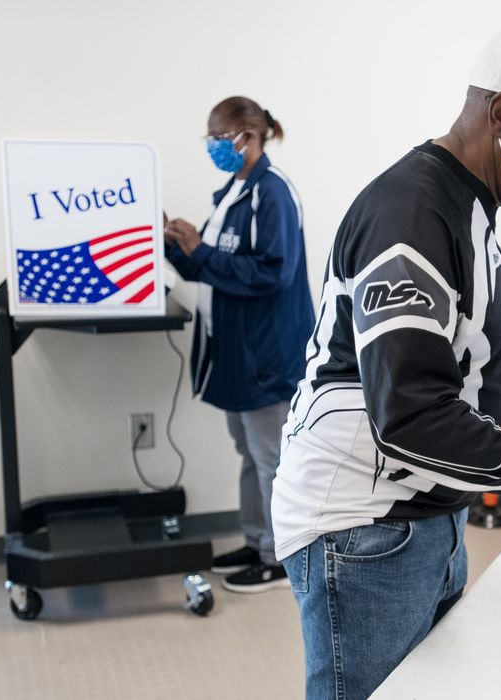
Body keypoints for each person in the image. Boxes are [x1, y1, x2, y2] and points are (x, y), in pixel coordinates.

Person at [272, 22, 501, 698]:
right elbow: (411, 418)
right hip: (365, 525)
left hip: (418, 513)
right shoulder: (411, 214)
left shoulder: (462, 205)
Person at [163, 97, 313, 593]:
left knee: (271, 457)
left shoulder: (272, 194)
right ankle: (255, 541)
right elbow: (209, 266)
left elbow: (274, 273)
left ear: (247, 136)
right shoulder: (232, 193)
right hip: (235, 353)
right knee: (249, 453)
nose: (212, 148)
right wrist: (174, 244)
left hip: (267, 353)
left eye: (217, 138)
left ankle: (279, 557)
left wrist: (201, 252)